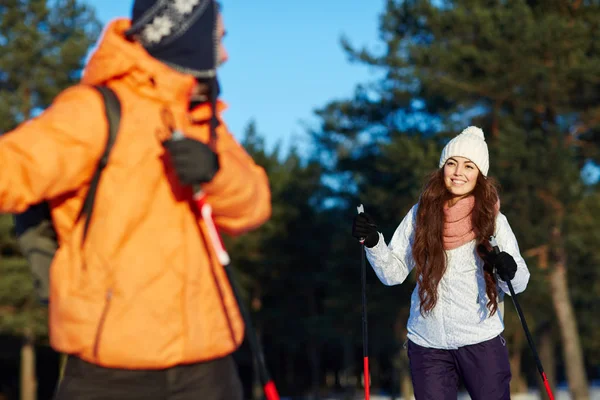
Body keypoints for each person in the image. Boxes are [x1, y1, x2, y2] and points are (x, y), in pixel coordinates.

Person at [0, 1, 271, 399]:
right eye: (217, 38)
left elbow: (255, 206)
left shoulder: (203, 118)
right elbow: (12, 167)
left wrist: (217, 173)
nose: (225, 54)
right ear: (182, 36)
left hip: (208, 362)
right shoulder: (95, 111)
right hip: (110, 368)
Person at [352, 126, 530, 400]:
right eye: (452, 163)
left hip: (480, 339)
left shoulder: (493, 219)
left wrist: (508, 269)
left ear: (479, 175)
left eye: (468, 166)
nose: (459, 172)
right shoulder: (420, 214)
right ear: (442, 168)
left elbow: (519, 283)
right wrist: (374, 242)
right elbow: (393, 273)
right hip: (428, 342)